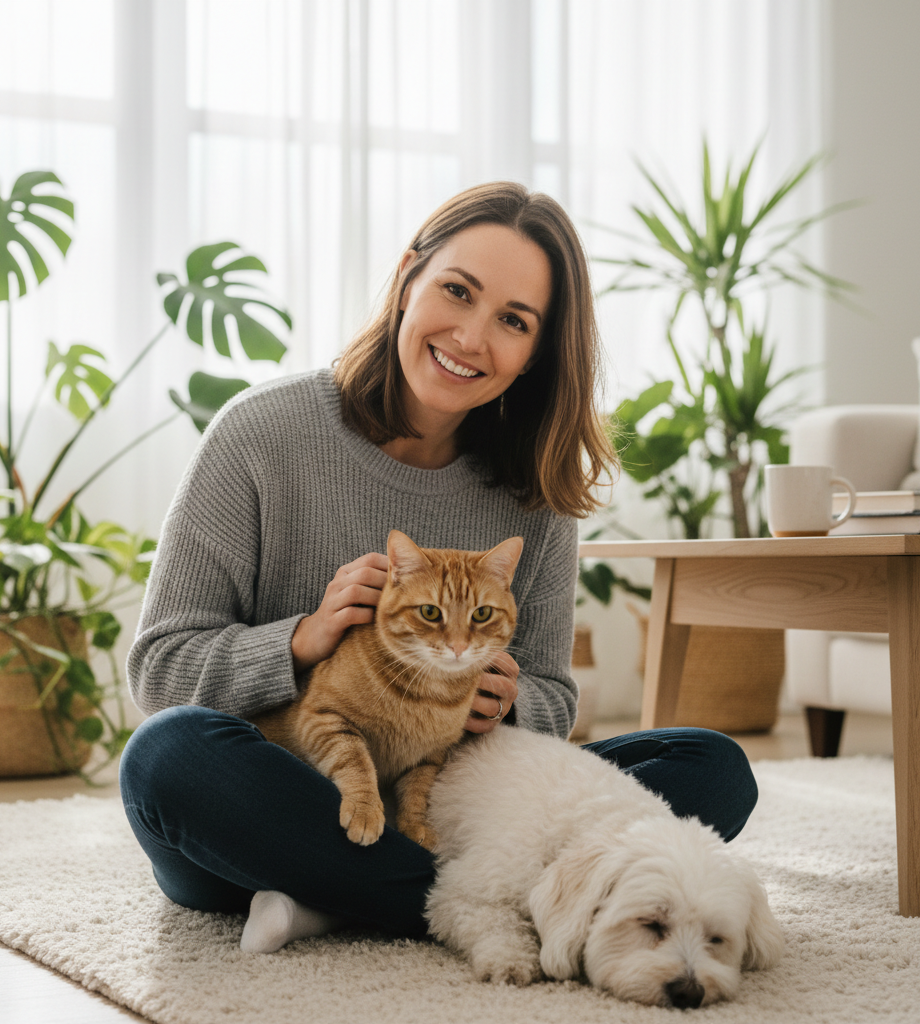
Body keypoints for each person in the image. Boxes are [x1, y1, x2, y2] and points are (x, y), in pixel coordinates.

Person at [119, 181, 758, 954]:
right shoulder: (261, 433)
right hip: (276, 804)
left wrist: (506, 701)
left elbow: (552, 692)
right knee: (167, 758)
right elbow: (157, 668)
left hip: (453, 810)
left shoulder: (536, 489)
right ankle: (457, 901)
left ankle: (339, 897)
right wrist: (301, 639)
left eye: (514, 321)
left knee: (711, 767)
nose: (470, 337)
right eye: (458, 291)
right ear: (406, 278)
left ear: (534, 355)